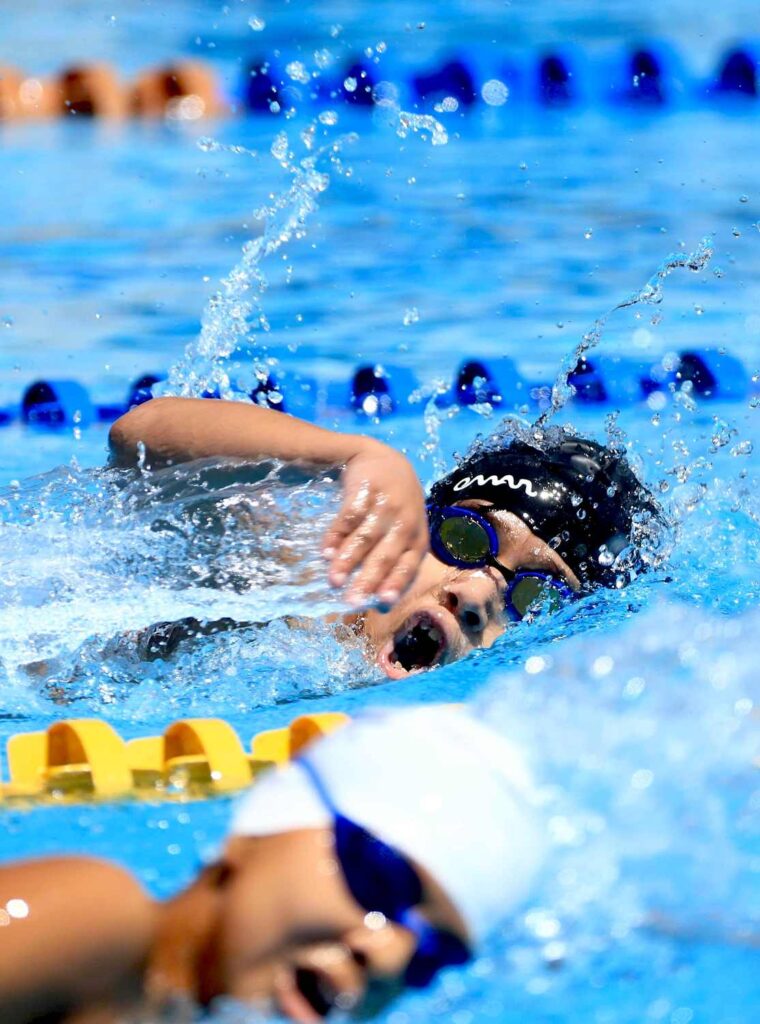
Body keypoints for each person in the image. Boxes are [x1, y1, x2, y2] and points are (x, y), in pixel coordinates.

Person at [0, 704, 544, 1023]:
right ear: (255, 833)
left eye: (432, 955)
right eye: (379, 877)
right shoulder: (99, 926)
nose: (388, 954)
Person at [109, 397, 667, 679]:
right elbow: (137, 440)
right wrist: (355, 456)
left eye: (536, 595)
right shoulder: (280, 585)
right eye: (464, 538)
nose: (473, 594)